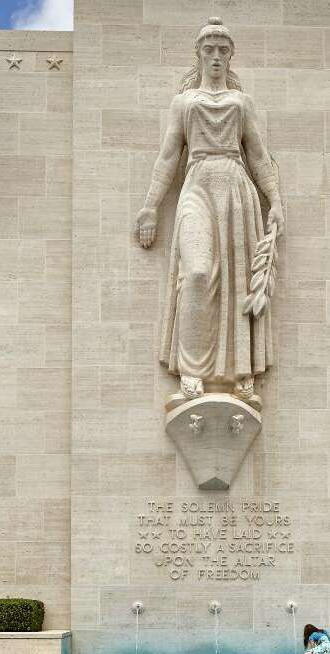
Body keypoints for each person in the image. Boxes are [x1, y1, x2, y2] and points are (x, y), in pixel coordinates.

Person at [134, 17, 284, 401]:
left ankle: (241, 373)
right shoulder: (184, 102)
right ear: (199, 54)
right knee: (197, 273)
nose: (216, 56)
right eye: (209, 49)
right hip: (196, 185)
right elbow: (168, 157)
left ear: (230, 56)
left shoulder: (241, 102)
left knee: (237, 282)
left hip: (235, 188)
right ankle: (191, 370)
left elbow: (259, 155)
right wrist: (150, 208)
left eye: (222, 50)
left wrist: (276, 201)